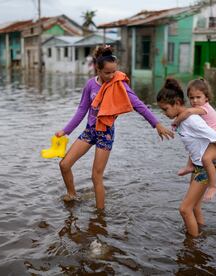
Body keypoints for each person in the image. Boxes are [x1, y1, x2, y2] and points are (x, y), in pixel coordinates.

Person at [55, 45, 173, 210]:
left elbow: (138, 105)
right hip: (90, 130)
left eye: (114, 72)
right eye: (107, 73)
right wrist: (65, 130)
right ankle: (72, 196)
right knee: (64, 164)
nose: (111, 76)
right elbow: (82, 110)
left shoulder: (119, 84)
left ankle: (100, 214)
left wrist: (157, 124)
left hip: (106, 133)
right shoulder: (90, 85)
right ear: (97, 68)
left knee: (96, 176)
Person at [156, 78, 216, 237]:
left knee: (184, 209)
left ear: (176, 103)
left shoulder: (192, 120)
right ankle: (200, 232)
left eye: (165, 109)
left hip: (206, 168)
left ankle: (193, 246)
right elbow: (195, 145)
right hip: (198, 166)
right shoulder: (184, 120)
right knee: (194, 207)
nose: (164, 113)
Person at [171, 78, 216, 201]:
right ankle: (190, 166)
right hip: (212, 139)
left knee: (206, 158)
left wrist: (176, 122)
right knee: (194, 143)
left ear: (206, 98)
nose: (195, 101)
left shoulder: (205, 108)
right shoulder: (201, 108)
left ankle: (213, 186)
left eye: (198, 97)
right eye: (191, 98)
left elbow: (188, 112)